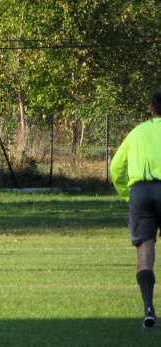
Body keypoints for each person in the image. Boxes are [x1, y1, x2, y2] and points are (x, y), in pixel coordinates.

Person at [110, 88, 161, 328]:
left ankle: (149, 308)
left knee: (145, 251)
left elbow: (115, 168)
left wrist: (125, 194)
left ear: (151, 108)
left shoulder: (137, 132)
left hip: (140, 192)